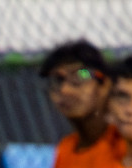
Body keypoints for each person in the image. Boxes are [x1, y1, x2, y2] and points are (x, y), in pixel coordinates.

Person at [41, 40, 123, 168]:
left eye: (80, 76)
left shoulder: (130, 147)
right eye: (58, 80)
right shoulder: (66, 149)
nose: (65, 90)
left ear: (105, 85)